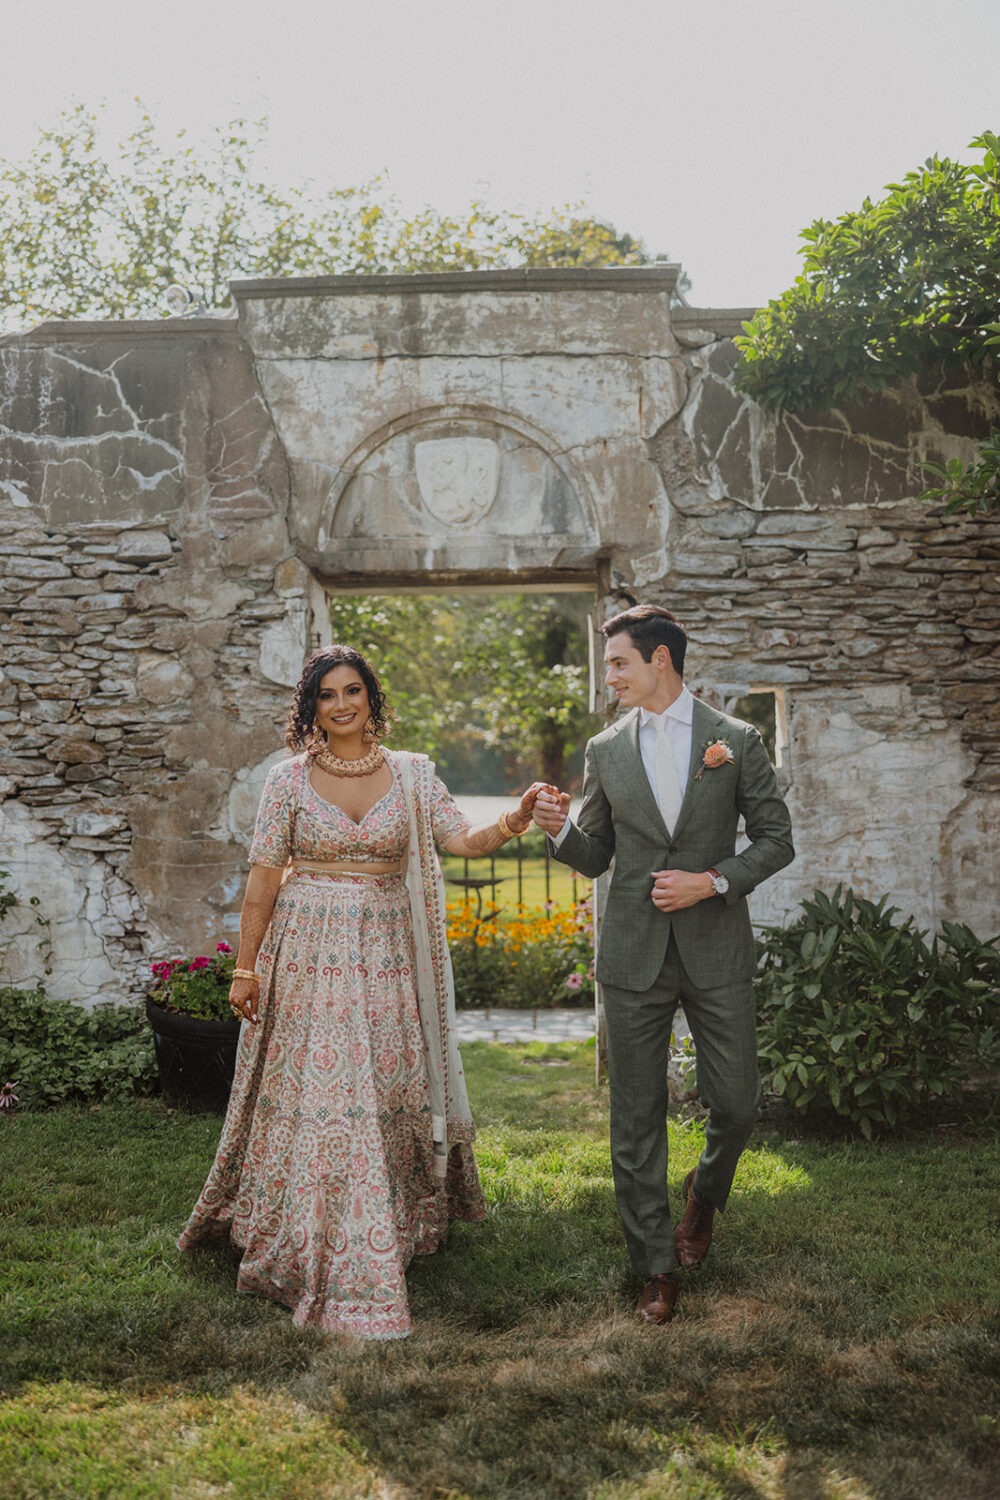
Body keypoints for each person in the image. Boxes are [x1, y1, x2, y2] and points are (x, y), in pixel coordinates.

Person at [179, 644, 539, 1340]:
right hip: (307, 951)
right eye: (326, 695)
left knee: (374, 1087)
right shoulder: (287, 782)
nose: (341, 705)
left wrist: (516, 819)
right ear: (310, 706)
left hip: (383, 954)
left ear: (372, 697)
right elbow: (262, 880)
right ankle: (299, 1234)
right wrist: (246, 968)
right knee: (319, 1096)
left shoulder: (412, 775)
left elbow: (460, 841)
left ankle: (390, 1227)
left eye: (352, 691)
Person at [532, 604, 794, 1326]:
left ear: (660, 662)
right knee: (636, 1116)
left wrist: (710, 881)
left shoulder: (734, 740)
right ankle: (654, 1265)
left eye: (618, 663)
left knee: (737, 1102)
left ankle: (703, 1195)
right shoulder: (606, 749)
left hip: (715, 948)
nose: (608, 677)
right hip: (633, 954)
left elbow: (776, 840)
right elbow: (597, 854)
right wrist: (559, 832)